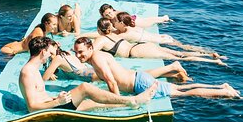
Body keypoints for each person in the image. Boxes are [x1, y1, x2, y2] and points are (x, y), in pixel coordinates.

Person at [19, 36, 157, 112]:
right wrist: (57, 102)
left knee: (95, 103)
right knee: (85, 88)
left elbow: (40, 97)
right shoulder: (27, 73)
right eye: (49, 53)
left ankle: (129, 103)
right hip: (48, 111)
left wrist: (56, 97)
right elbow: (32, 107)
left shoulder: (33, 70)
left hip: (53, 105)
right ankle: (132, 100)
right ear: (43, 52)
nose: (50, 56)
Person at [72, 37, 241, 99]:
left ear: (90, 48)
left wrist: (119, 102)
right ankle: (221, 86)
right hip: (139, 79)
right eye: (76, 53)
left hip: (140, 85)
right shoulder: (97, 56)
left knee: (183, 92)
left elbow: (112, 82)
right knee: (177, 87)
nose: (79, 56)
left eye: (81, 52)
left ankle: (225, 92)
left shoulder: (97, 59)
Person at [90, 18, 225, 64]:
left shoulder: (101, 39)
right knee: (179, 53)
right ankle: (209, 55)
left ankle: (213, 61)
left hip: (137, 50)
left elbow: (91, 52)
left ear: (99, 29)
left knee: (181, 58)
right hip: (142, 45)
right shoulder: (115, 35)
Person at [42, 42, 191, 83]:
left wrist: (49, 71)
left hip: (92, 76)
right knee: (131, 75)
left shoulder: (57, 59)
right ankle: (172, 72)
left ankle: (172, 67)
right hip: (91, 72)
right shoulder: (66, 53)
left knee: (131, 78)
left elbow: (43, 78)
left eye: (48, 50)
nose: (47, 53)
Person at [99, 3, 170, 28]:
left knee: (151, 22)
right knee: (147, 19)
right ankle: (163, 17)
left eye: (110, 13)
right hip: (133, 18)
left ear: (112, 9)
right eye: (106, 15)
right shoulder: (106, 17)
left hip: (135, 22)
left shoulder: (118, 14)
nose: (109, 16)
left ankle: (164, 18)